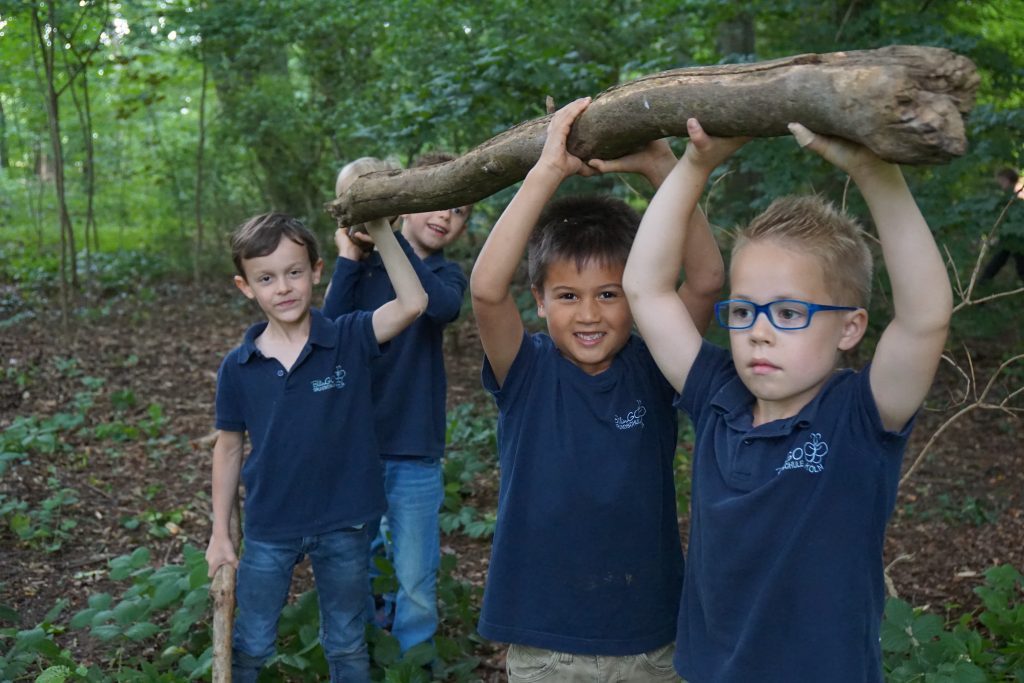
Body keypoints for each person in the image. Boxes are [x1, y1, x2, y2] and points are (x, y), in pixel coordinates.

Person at [623, 118, 953, 682]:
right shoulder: (718, 394)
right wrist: (694, 166)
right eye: (746, 310)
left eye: (791, 313)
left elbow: (925, 319)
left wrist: (878, 177)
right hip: (708, 671)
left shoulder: (859, 416)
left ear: (849, 329)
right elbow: (645, 289)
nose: (760, 332)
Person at [470, 97, 725, 682]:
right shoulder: (526, 370)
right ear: (539, 301)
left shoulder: (656, 366)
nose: (589, 314)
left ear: (637, 297)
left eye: (609, 294)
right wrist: (546, 172)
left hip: (651, 637)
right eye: (567, 296)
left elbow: (707, 279)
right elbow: (486, 291)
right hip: (547, 640)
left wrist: (668, 170)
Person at [205, 213, 427, 683]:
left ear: (316, 271)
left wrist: (382, 230)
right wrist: (221, 534)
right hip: (271, 524)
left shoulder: (347, 337)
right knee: (252, 641)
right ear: (246, 287)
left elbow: (413, 303)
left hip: (344, 522)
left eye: (294, 272)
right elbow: (227, 450)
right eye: (266, 278)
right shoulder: (239, 367)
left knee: (346, 642)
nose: (283, 287)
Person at [323, 151, 472, 653]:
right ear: (405, 204)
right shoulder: (361, 271)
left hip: (413, 444)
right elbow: (327, 331)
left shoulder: (446, 276)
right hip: (356, 443)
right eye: (435, 204)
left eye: (457, 211)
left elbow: (439, 307)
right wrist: (349, 253)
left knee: (415, 573)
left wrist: (387, 238)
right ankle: (364, 651)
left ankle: (414, 659)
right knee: (354, 562)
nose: (445, 217)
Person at [979, 167, 1024, 283]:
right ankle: (982, 285)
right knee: (1000, 262)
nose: (1000, 184)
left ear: (1007, 180)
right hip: (1009, 239)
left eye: (1001, 181)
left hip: (1017, 239)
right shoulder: (1006, 197)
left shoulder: (1016, 197)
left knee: (1019, 266)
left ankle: (982, 285)